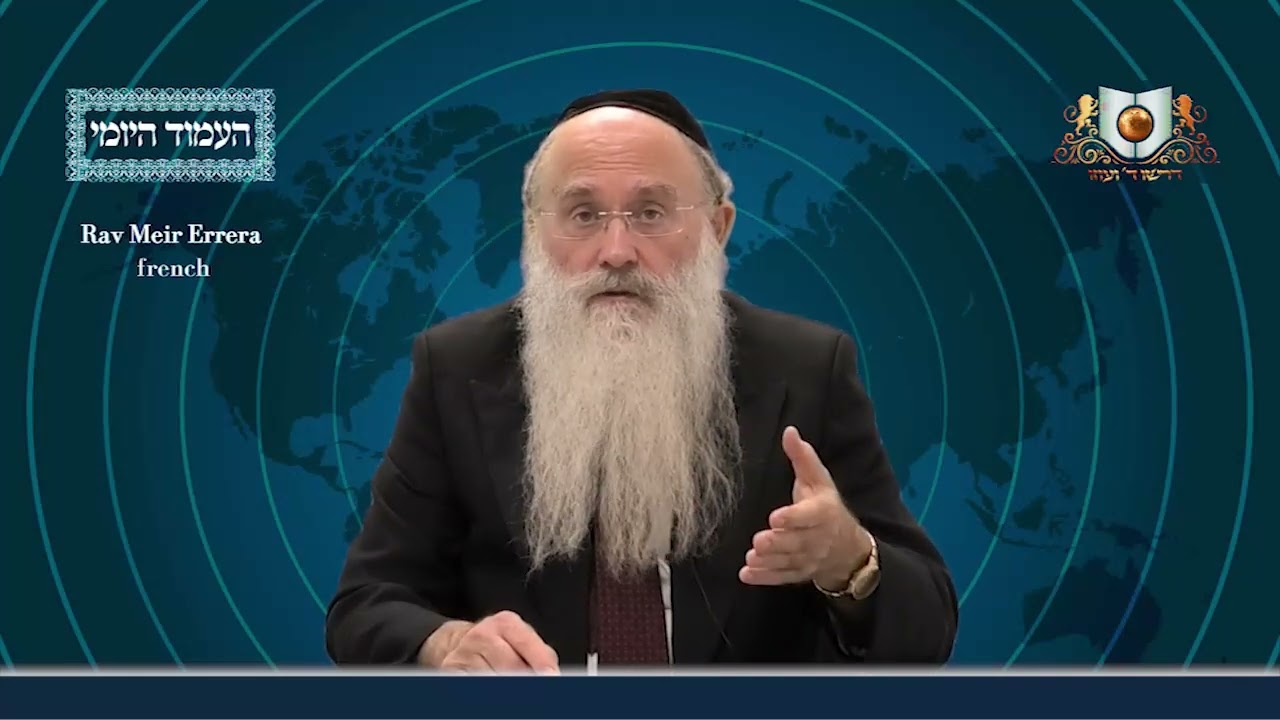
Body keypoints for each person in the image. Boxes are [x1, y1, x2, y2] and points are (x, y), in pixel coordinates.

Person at [324, 89, 958, 671]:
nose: (617, 251)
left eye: (651, 212)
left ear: (717, 228)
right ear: (535, 233)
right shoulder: (455, 368)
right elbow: (364, 606)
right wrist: (446, 644)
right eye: (582, 214)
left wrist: (850, 561)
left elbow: (928, 630)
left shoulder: (807, 368)